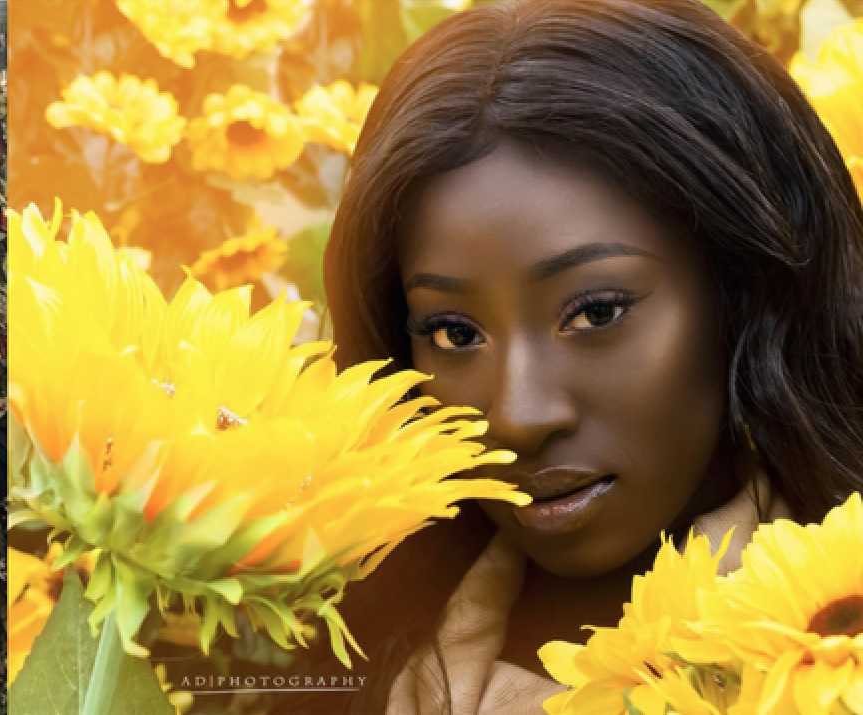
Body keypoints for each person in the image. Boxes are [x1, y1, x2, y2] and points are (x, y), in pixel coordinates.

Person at [309, 1, 863, 712]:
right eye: (453, 332)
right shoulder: (337, 649)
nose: (518, 415)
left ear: (743, 289)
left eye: (596, 312)